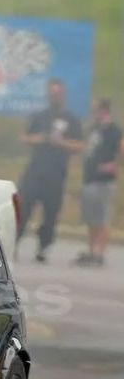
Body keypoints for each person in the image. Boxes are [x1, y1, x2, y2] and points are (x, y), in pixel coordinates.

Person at [16, 79, 84, 263]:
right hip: (35, 171)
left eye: (58, 93)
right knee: (24, 208)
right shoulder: (40, 116)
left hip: (57, 174)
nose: (55, 97)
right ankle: (14, 243)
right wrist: (42, 138)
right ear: (48, 95)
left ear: (63, 95)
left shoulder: (72, 119)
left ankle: (43, 248)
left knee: (51, 213)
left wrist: (62, 143)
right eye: (52, 93)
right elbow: (25, 137)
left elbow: (79, 145)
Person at [76, 98, 121, 266]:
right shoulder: (93, 129)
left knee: (102, 218)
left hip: (104, 181)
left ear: (104, 110)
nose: (93, 112)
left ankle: (100, 254)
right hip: (89, 178)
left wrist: (115, 164)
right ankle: (91, 250)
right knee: (91, 218)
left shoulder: (114, 130)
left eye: (95, 109)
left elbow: (121, 149)